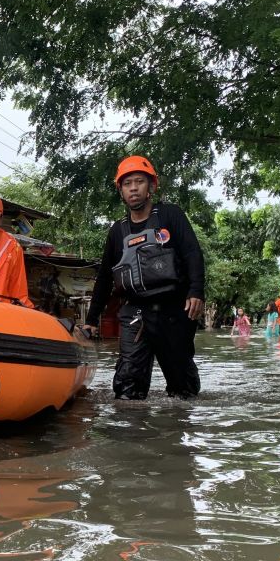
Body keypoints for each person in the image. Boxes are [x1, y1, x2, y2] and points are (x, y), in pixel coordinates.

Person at [82, 156, 205, 399]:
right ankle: (132, 430)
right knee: (127, 388)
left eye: (140, 182)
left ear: (151, 187)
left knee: (183, 391)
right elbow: (105, 277)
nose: (134, 188)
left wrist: (196, 291)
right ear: (121, 191)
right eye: (127, 184)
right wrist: (91, 319)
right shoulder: (117, 231)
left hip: (174, 312)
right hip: (135, 313)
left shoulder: (171, 215)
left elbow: (192, 253)